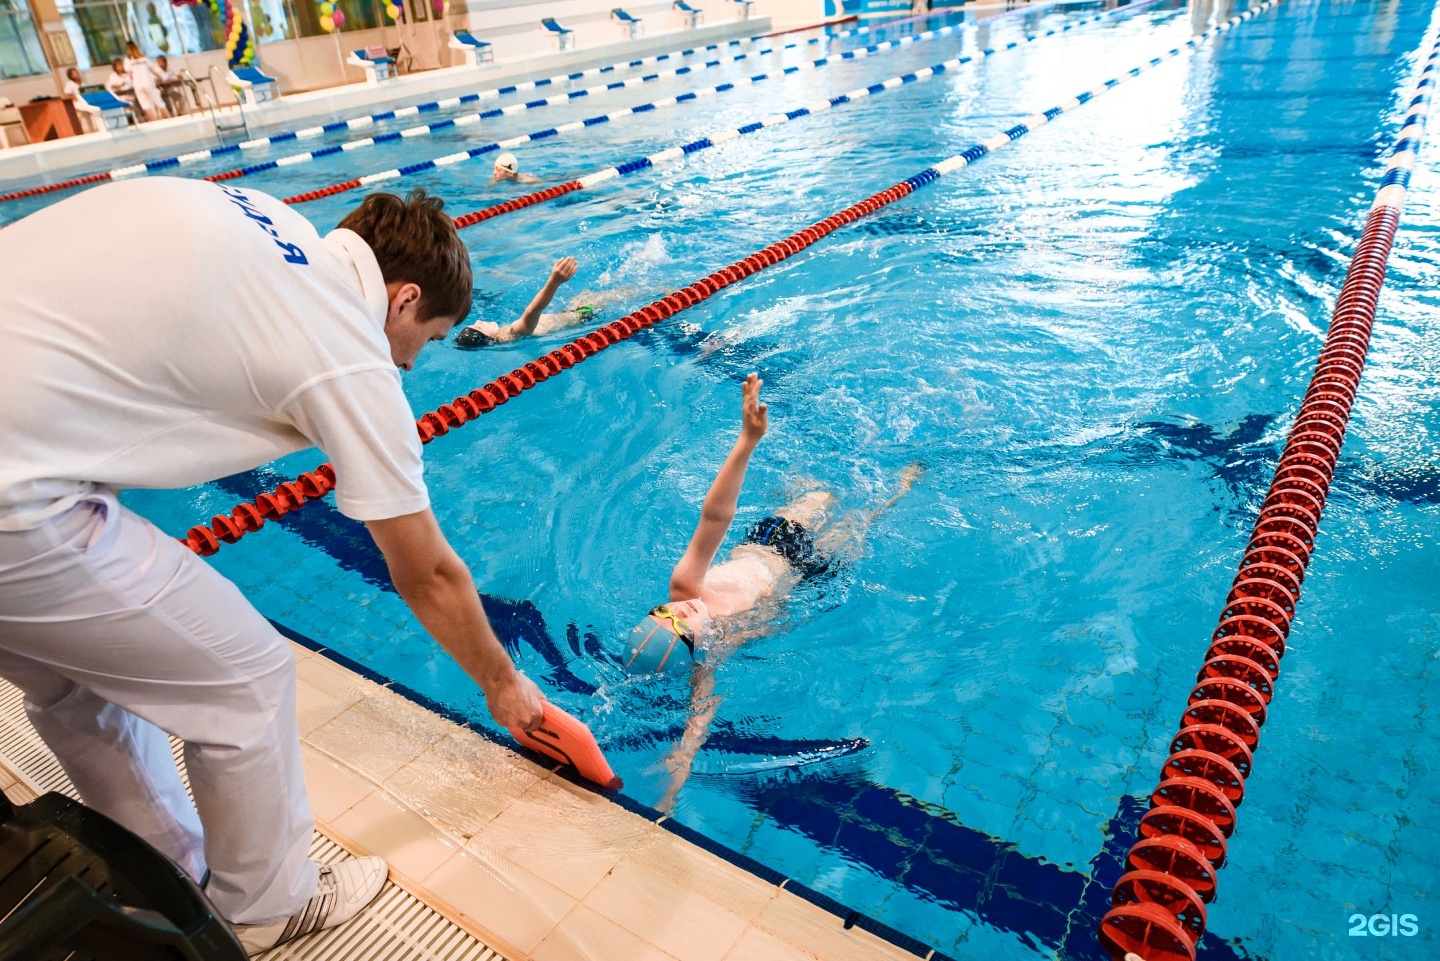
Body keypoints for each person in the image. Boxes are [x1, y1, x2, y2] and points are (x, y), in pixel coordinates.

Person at [0, 181, 543, 955]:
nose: (414, 362)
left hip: (19, 463)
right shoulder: (349, 351)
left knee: (77, 677)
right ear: (403, 298)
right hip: (13, 507)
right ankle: (266, 907)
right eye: (426, 337)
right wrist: (503, 683)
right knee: (246, 678)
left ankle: (164, 877)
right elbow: (428, 575)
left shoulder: (266, 217)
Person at [620, 375, 921, 810]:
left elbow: (714, 517)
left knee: (821, 495)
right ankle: (901, 487)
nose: (680, 606)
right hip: (805, 577)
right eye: (683, 619)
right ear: (696, 645)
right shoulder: (714, 653)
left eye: (662, 610)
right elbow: (700, 714)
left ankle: (836, 455)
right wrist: (680, 767)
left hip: (776, 541)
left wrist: (746, 441)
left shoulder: (686, 586)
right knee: (864, 522)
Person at [454, 256, 625, 349]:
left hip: (571, 313)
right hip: (582, 314)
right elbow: (533, 310)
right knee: (625, 291)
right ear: (486, 336)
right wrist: (554, 281)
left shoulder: (509, 336)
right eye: (478, 327)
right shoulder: (516, 331)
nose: (477, 321)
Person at [124, 40, 169, 121]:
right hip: (148, 82)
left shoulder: (127, 61)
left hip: (137, 85)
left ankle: (153, 120)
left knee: (145, 104)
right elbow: (153, 69)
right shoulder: (144, 58)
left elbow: (130, 74)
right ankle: (169, 117)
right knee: (158, 101)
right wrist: (160, 76)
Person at [60, 66, 104, 133]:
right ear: (70, 76)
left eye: (76, 73)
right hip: (76, 102)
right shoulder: (69, 84)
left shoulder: (82, 83)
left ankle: (94, 129)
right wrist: (76, 97)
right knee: (84, 113)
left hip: (85, 101)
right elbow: (68, 95)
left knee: (91, 111)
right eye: (74, 74)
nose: (76, 75)